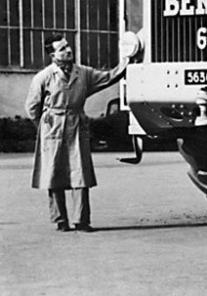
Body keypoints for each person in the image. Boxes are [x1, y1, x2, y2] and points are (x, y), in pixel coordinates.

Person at [24, 32, 131, 232]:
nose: (69, 50)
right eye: (62, 48)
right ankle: (60, 220)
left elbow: (110, 76)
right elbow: (31, 107)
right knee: (53, 173)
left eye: (68, 46)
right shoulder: (44, 77)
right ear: (53, 55)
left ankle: (81, 221)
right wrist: (43, 126)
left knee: (80, 172)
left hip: (76, 124)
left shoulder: (83, 73)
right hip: (52, 126)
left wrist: (129, 59)